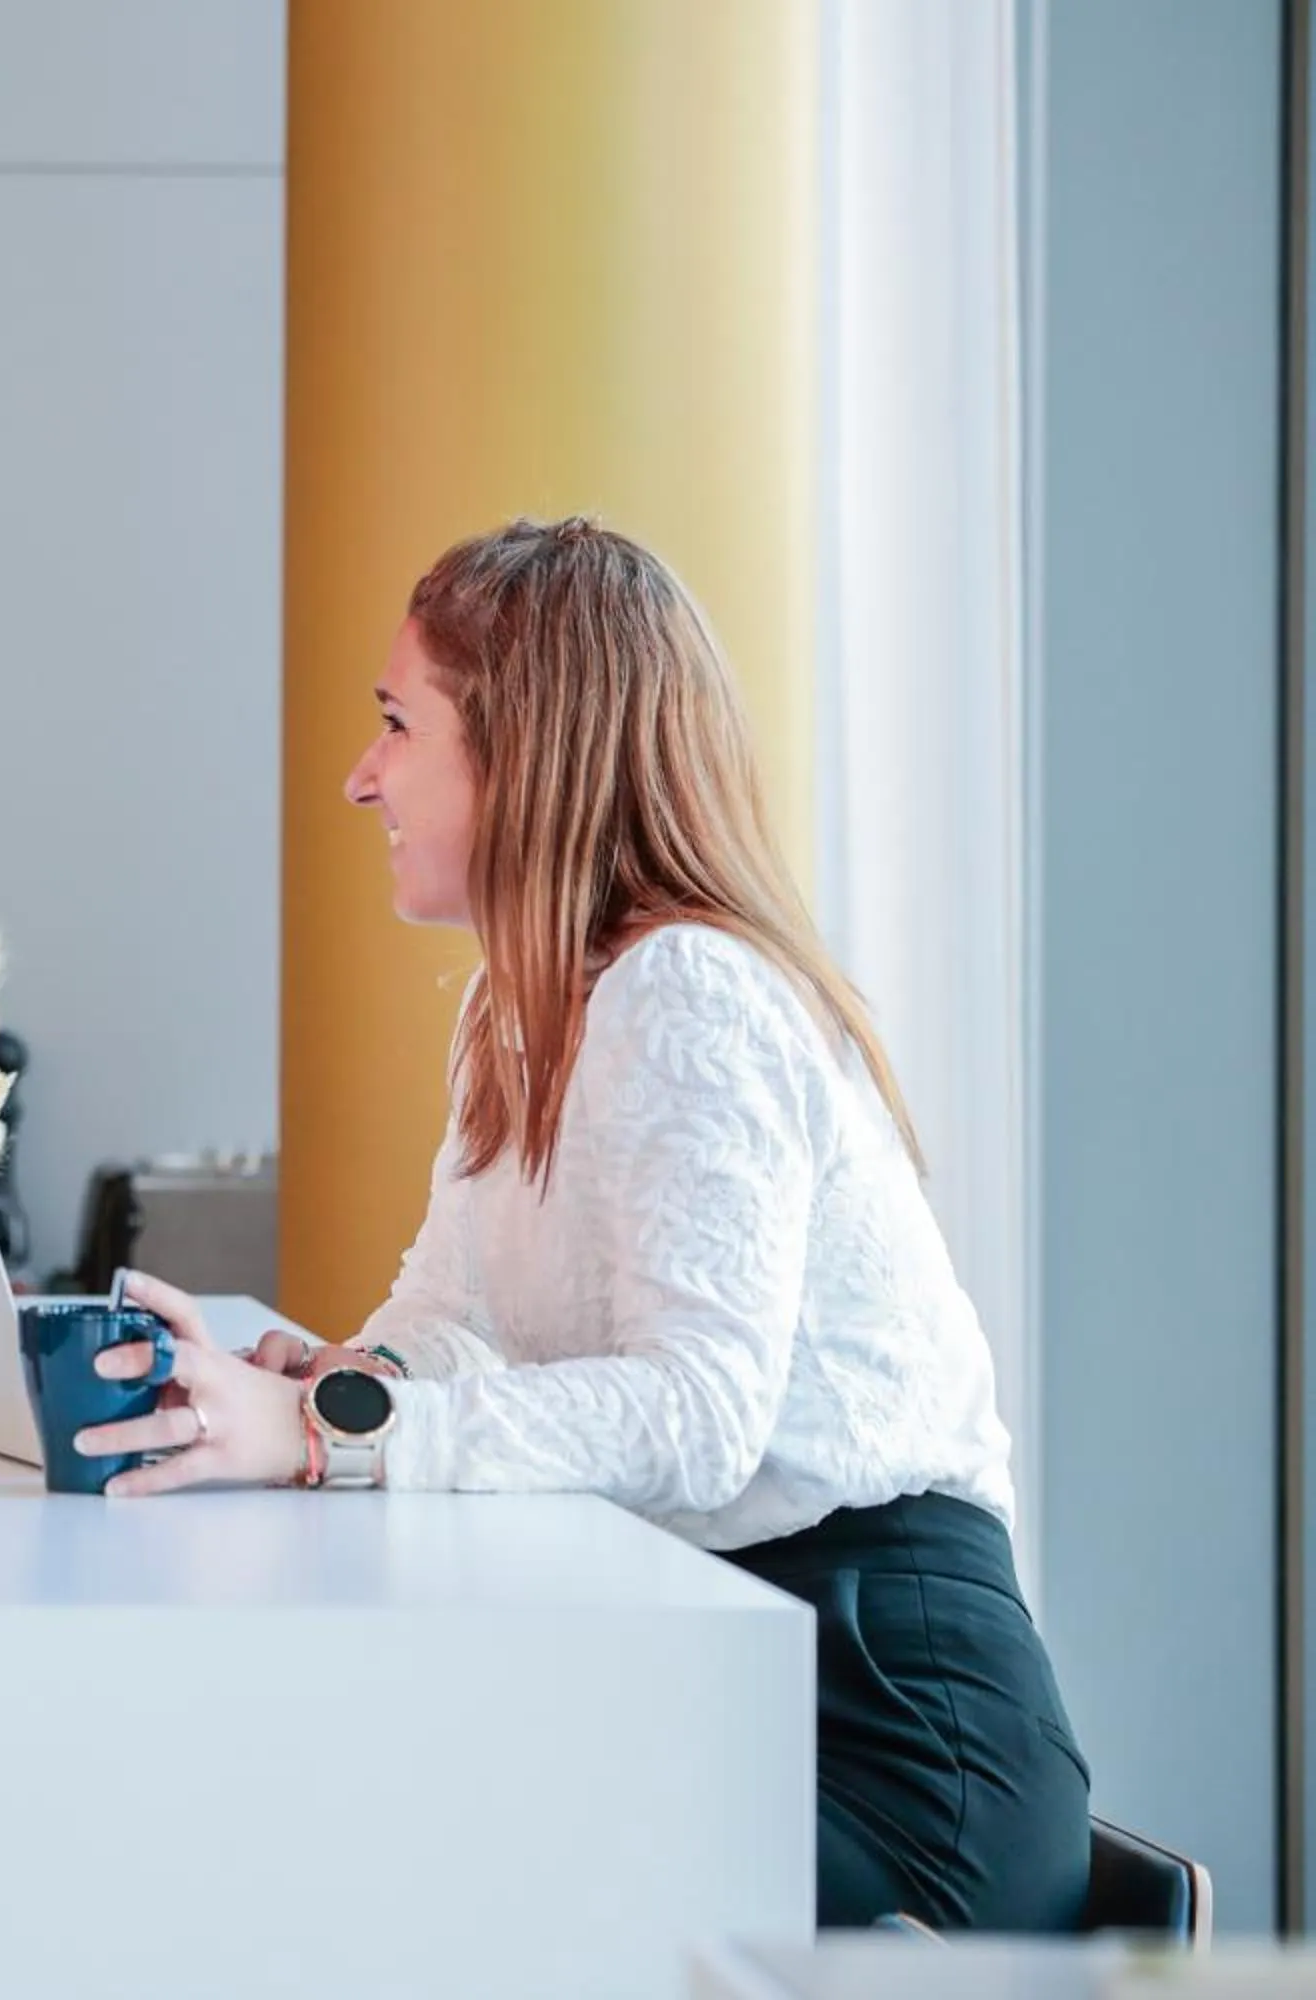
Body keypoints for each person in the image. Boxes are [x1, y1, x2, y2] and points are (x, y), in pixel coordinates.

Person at [85, 518, 1090, 1933]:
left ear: (528, 754)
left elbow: (698, 1421)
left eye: (396, 726)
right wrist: (305, 1387)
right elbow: (450, 1325)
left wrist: (326, 1443)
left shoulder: (690, 995)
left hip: (890, 1742)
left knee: (392, 1870)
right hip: (736, 1674)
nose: (358, 777)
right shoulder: (525, 1007)